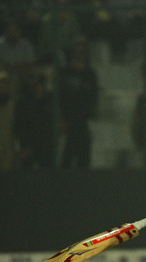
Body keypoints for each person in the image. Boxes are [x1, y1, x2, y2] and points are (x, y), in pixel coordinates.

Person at [58, 39, 98, 169]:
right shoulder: (65, 73)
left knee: (84, 158)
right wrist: (61, 119)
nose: (79, 56)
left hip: (82, 122)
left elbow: (94, 97)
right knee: (66, 158)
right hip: (67, 122)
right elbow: (59, 97)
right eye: (76, 53)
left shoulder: (90, 74)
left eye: (82, 53)